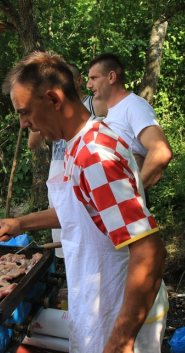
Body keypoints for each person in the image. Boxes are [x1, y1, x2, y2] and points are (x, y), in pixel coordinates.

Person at [0, 51, 168, 353]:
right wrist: (20, 223)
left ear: (53, 99)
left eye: (25, 112)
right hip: (99, 299)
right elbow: (78, 213)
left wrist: (121, 342)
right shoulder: (75, 144)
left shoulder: (95, 155)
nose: (24, 123)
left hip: (119, 307)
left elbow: (149, 251)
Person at [28, 63, 107, 258]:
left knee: (87, 229)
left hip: (85, 172)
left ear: (77, 82)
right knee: (64, 229)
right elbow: (33, 143)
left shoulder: (94, 106)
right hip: (59, 171)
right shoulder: (52, 115)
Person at [87, 53, 172, 191]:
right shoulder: (109, 111)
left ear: (111, 77)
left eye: (94, 78)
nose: (89, 85)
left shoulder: (134, 106)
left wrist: (134, 193)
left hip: (126, 204)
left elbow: (161, 151)